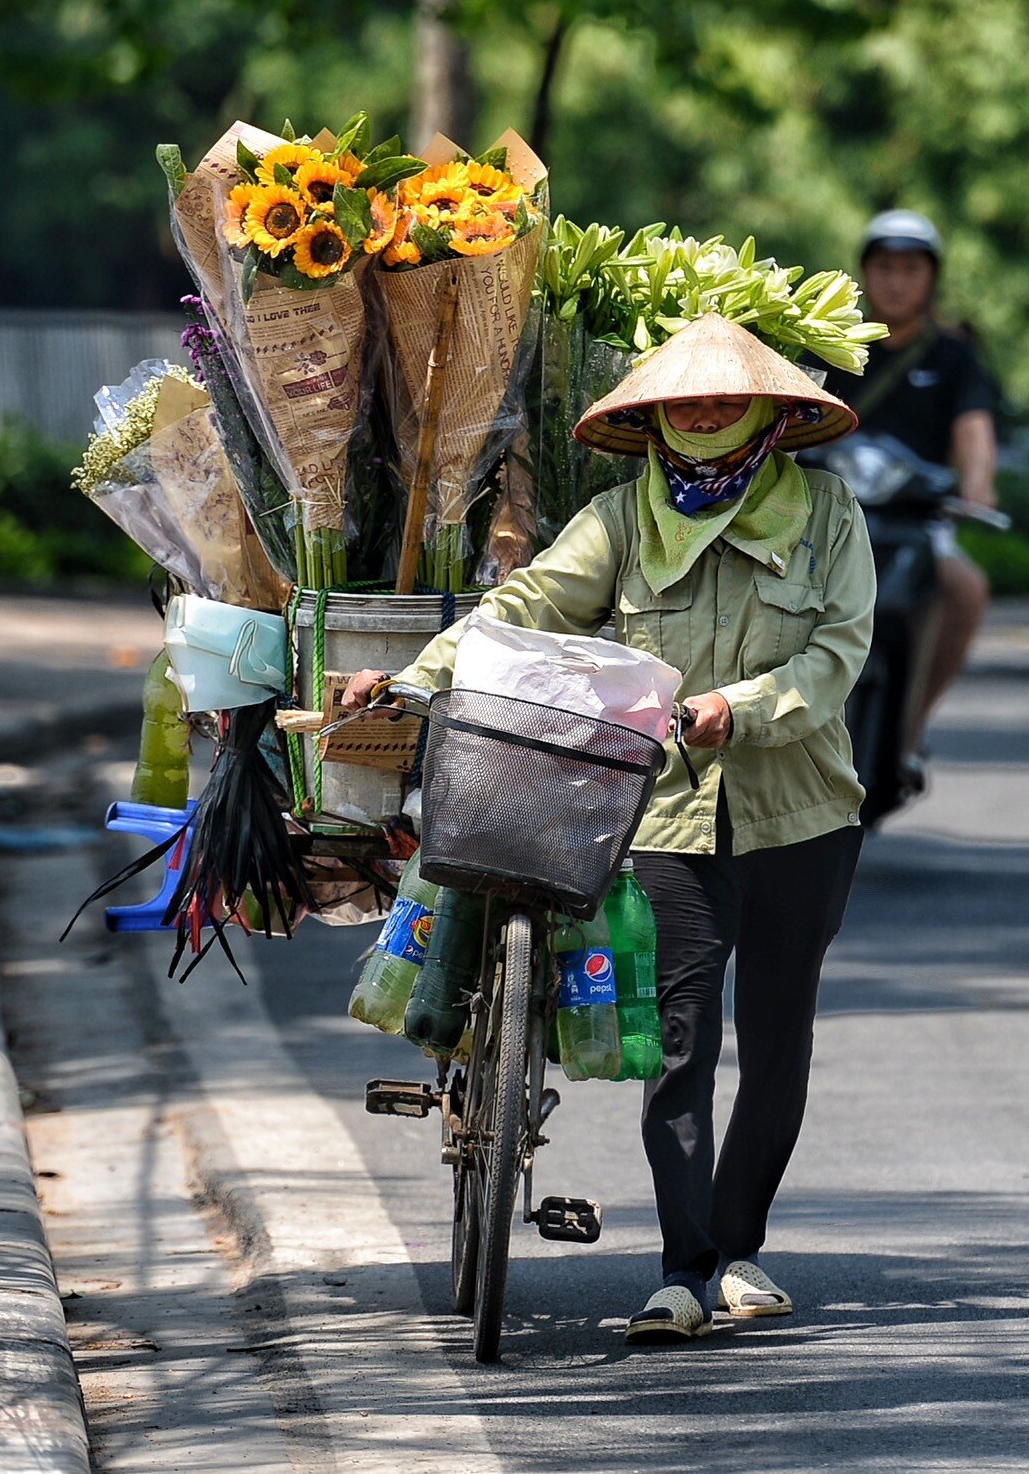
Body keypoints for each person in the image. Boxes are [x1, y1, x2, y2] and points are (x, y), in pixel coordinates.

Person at [340, 313, 875, 1346]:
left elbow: (836, 654)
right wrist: (410, 678)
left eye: (723, 401)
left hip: (804, 816)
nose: (704, 416)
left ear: (767, 413)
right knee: (678, 1043)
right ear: (654, 419)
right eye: (684, 403)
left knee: (777, 1042)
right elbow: (526, 607)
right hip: (665, 816)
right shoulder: (621, 521)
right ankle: (683, 1270)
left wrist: (738, 710)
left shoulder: (827, 514)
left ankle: (740, 1249)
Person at [825, 209, 999, 732]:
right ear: (865, 273)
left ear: (931, 278)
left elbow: (974, 431)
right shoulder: (833, 344)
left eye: (910, 269)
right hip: (832, 518)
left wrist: (979, 487)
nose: (896, 282)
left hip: (919, 521)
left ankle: (910, 727)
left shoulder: (954, 356)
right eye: (885, 267)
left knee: (966, 590)